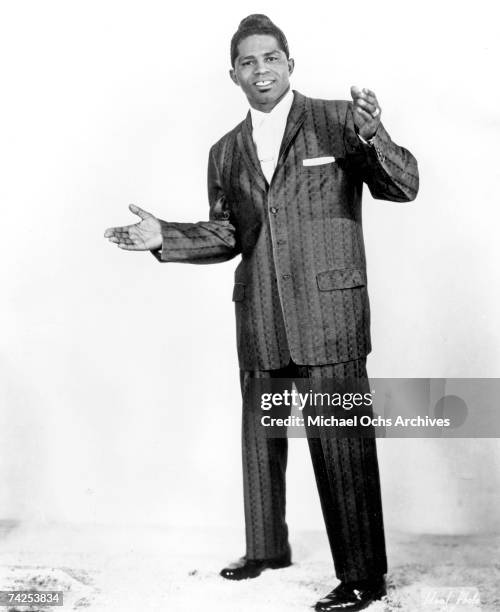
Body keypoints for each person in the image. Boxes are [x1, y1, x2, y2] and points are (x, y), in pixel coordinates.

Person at [104, 14, 419, 611]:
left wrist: (376, 135)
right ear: (233, 75)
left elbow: (403, 186)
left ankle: (363, 578)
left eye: (271, 58)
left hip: (330, 316)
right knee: (261, 438)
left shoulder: (338, 120)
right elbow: (228, 232)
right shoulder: (224, 152)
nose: (261, 70)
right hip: (260, 314)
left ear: (290, 64)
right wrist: (164, 236)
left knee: (342, 443)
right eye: (248, 62)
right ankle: (267, 548)